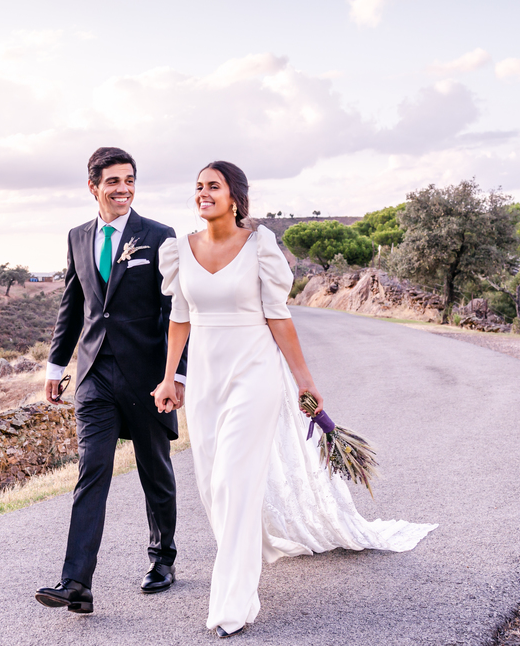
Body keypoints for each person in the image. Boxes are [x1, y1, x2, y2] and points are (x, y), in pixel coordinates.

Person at [152, 161, 436, 638]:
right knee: (213, 485)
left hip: (254, 373)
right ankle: (244, 550)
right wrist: (168, 379)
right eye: (198, 187)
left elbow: (279, 318)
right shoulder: (179, 250)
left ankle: (232, 601)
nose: (203, 193)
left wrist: (305, 381)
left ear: (235, 196)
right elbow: (179, 318)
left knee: (234, 479)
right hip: (204, 379)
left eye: (213, 186)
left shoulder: (260, 245)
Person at [35, 146, 188, 615]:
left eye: (130, 180)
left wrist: (175, 375)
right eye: (114, 181)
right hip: (94, 375)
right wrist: (56, 367)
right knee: (92, 471)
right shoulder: (77, 237)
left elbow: (175, 312)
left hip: (147, 376)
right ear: (93, 187)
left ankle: (162, 558)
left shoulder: (159, 236)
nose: (124, 189)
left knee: (153, 469)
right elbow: (73, 305)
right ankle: (76, 582)